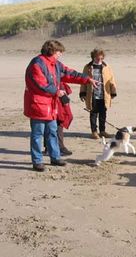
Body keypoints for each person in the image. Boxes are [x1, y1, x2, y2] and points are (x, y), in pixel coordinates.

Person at [24, 40, 99, 172]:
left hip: (51, 106)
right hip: (38, 105)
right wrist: (57, 91)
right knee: (37, 134)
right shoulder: (37, 63)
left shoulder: (56, 64)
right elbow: (39, 84)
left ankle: (55, 157)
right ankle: (37, 161)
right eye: (59, 52)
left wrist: (87, 79)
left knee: (52, 132)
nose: (60, 55)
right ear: (52, 51)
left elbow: (70, 74)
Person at [80, 48, 117, 139]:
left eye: (101, 58)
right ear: (93, 57)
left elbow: (111, 79)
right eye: (97, 58)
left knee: (103, 113)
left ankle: (102, 131)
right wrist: (82, 93)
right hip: (92, 94)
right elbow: (83, 80)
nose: (99, 60)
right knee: (93, 113)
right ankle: (94, 131)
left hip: (104, 94)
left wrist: (113, 92)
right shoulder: (87, 67)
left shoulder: (106, 67)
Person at [43, 82, 73, 155]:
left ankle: (50, 148)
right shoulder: (54, 79)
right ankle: (59, 147)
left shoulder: (56, 78)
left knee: (52, 127)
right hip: (53, 107)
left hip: (53, 105)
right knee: (56, 127)